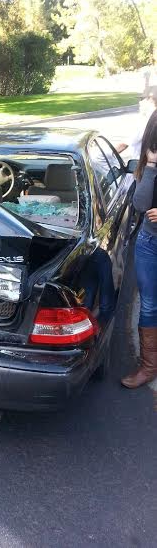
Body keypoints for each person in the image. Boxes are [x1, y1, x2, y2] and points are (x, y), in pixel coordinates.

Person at [121, 109, 157, 388]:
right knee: (149, 304)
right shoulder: (149, 164)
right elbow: (141, 205)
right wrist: (152, 166)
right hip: (149, 243)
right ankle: (148, 367)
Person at [116, 86, 157, 158]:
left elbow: (123, 145)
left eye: (142, 99)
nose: (140, 102)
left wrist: (103, 157)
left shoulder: (144, 122)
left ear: (151, 100)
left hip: (144, 166)